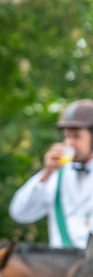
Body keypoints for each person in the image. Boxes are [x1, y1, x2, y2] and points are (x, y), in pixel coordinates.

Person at [9, 99, 93, 248]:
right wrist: (46, 174)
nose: (69, 143)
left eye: (76, 136)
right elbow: (20, 213)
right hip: (60, 266)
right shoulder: (56, 175)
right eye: (66, 136)